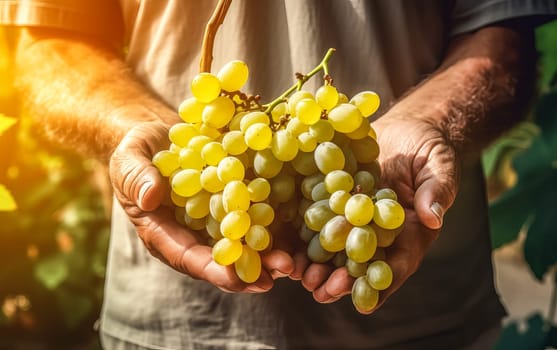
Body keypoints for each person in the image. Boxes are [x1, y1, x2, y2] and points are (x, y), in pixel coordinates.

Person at [2, 1, 555, 349]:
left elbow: (502, 28)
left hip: (425, 321)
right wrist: (138, 126)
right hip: (172, 326)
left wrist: (426, 119)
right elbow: (51, 39)